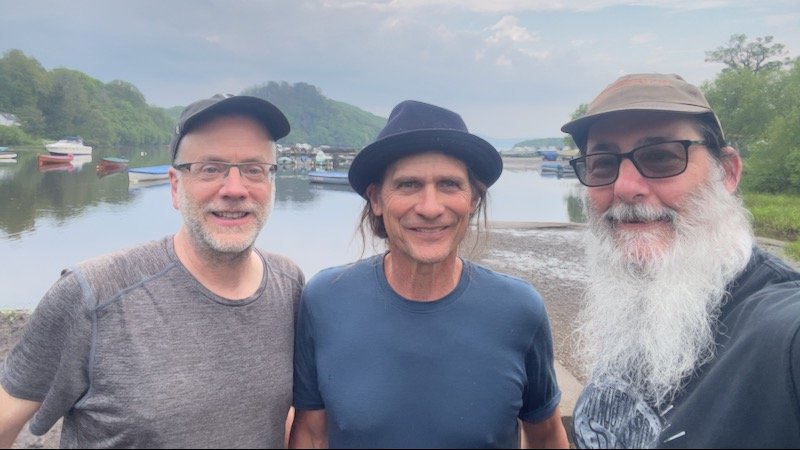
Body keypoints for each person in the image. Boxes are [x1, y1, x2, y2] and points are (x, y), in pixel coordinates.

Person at [0, 94, 305, 448]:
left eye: (254, 169)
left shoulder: (289, 285)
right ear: (175, 187)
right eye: (210, 168)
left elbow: (277, 411)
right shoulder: (93, 294)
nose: (235, 189)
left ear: (272, 183)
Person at [289, 100, 569, 449]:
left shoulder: (519, 309)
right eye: (408, 184)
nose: (430, 208)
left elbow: (546, 437)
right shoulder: (325, 299)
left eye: (449, 184)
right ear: (376, 199)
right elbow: (312, 434)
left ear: (474, 200)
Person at [561, 73, 800, 448]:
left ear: (727, 172)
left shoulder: (784, 332)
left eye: (661, 157)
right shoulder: (639, 298)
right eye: (603, 163)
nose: (624, 187)